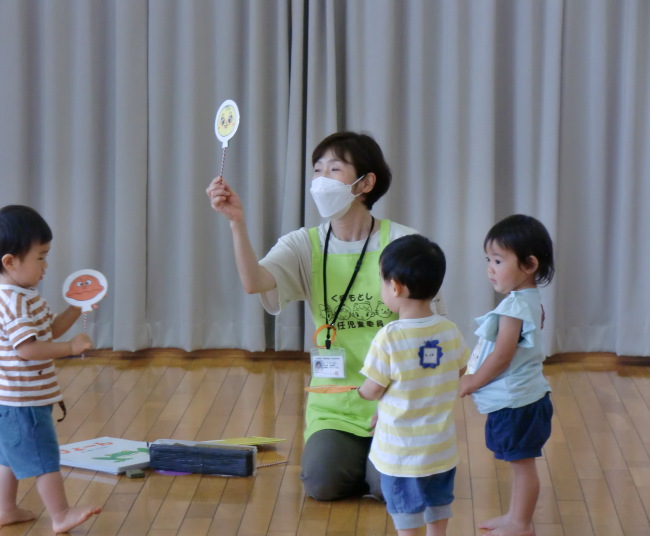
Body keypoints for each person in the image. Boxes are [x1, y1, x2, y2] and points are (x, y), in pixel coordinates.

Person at [206, 131, 445, 501]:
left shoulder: (402, 243)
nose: (321, 180)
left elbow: (429, 334)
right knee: (322, 483)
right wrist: (236, 222)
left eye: (334, 169)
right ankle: (362, 461)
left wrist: (405, 403)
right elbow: (254, 282)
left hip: (397, 400)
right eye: (317, 170)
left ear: (365, 183)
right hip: (334, 402)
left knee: (389, 489)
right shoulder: (304, 244)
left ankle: (379, 466)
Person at [0, 205, 102, 532]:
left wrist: (77, 307)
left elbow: (49, 330)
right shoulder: (13, 302)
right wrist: (70, 349)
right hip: (20, 402)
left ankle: (6, 510)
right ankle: (60, 514)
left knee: (9, 457)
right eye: (40, 257)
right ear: (10, 261)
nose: (46, 265)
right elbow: (28, 349)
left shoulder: (25, 295)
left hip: (6, 400)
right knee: (44, 458)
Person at [358, 235, 469, 536]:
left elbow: (373, 388)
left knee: (406, 516)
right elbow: (461, 370)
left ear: (395, 287)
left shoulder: (389, 336)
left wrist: (361, 392)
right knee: (438, 507)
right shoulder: (449, 330)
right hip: (440, 450)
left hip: (402, 455)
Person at [459, 214, 555, 536]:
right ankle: (515, 516)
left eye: (498, 260)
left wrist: (472, 381)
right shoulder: (527, 300)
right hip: (523, 399)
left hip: (518, 403)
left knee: (523, 467)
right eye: (488, 260)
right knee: (519, 464)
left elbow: (502, 356)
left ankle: (521, 524)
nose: (490, 268)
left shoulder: (514, 307)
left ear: (529, 264)